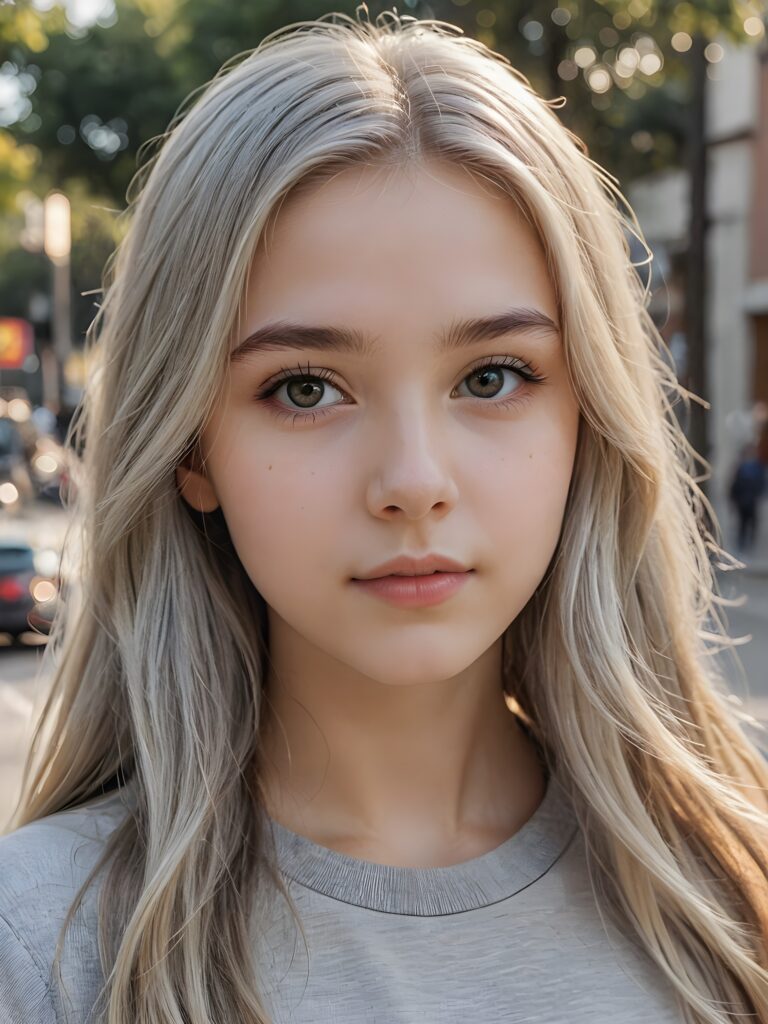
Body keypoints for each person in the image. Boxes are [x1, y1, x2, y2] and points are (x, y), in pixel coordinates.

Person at [1, 10, 767, 1024]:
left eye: (493, 375)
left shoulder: (737, 907)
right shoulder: (45, 948)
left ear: (590, 413)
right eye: (308, 387)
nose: (414, 480)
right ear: (190, 447)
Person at [728, 442, 766, 556]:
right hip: (743, 500)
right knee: (744, 523)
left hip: (751, 500)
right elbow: (735, 485)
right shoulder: (743, 467)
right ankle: (743, 544)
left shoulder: (756, 467)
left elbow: (761, 483)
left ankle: (748, 544)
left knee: (752, 522)